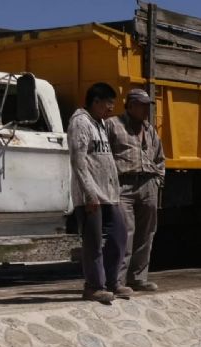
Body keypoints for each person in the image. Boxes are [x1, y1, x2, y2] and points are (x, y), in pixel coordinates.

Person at [68, 82, 131, 304]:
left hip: (109, 195)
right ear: (95, 102)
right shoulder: (80, 123)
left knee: (119, 236)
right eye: (108, 103)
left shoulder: (100, 124)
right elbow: (78, 160)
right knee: (93, 243)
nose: (111, 108)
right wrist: (89, 193)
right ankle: (94, 287)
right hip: (91, 195)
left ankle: (112, 282)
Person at [107, 88, 165, 292]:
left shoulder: (149, 129)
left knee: (146, 233)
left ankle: (138, 278)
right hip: (123, 185)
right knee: (124, 232)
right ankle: (117, 281)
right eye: (142, 106)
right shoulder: (113, 125)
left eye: (148, 106)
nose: (146, 110)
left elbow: (160, 158)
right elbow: (103, 156)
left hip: (148, 184)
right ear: (131, 106)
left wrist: (158, 180)